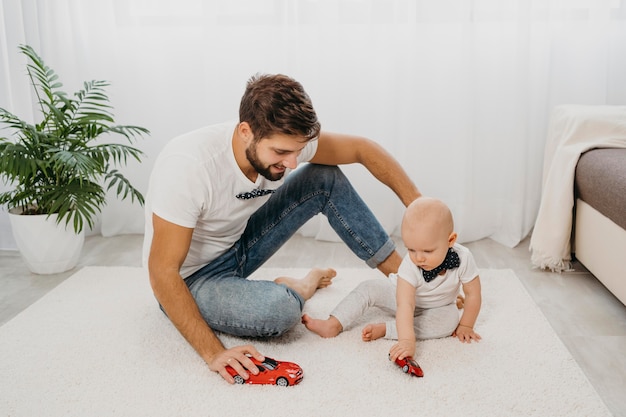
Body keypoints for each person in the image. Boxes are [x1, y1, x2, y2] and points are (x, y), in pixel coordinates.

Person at [143, 73, 421, 384]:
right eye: (281, 153)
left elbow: (362, 149)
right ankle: (300, 287)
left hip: (239, 245)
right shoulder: (189, 166)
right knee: (280, 311)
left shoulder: (285, 141)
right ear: (246, 132)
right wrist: (213, 352)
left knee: (324, 178)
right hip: (193, 279)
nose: (292, 164)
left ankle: (409, 281)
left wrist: (421, 208)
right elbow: (162, 272)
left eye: (297, 152)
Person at [302, 197, 482, 362]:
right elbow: (405, 305)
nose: (418, 258)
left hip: (440, 306)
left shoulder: (464, 257)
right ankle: (333, 324)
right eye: (411, 249)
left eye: (427, 251)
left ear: (450, 240)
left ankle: (386, 329)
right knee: (369, 288)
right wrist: (406, 340)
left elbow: (473, 294)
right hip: (403, 298)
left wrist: (466, 325)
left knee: (449, 323)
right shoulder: (410, 265)